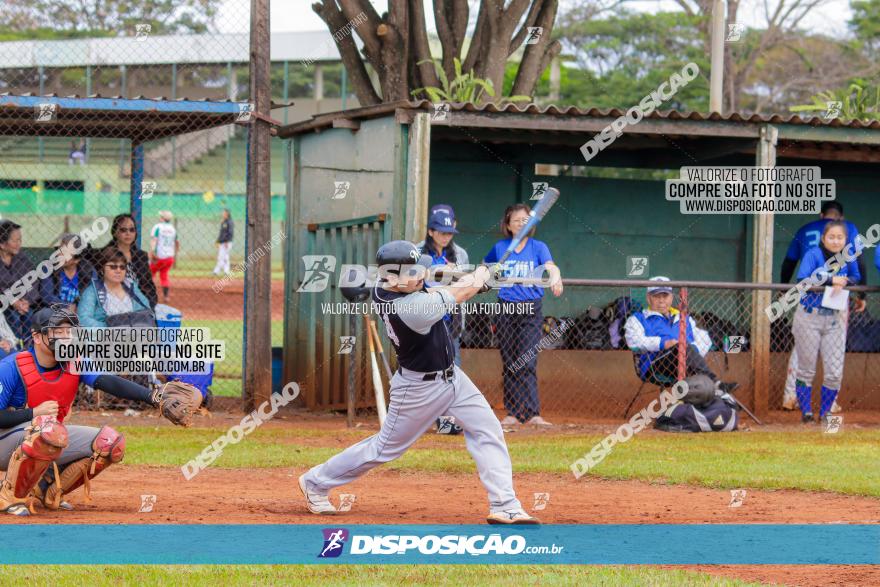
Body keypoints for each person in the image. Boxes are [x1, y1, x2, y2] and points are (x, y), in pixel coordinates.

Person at [299, 241, 539, 525]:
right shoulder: (409, 309)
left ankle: (505, 505)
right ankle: (315, 482)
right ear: (392, 278)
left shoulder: (392, 284)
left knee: (487, 429)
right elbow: (455, 294)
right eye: (411, 272)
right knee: (383, 449)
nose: (419, 275)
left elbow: (437, 280)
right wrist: (479, 278)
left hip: (453, 378)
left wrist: (473, 277)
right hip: (418, 389)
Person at [0, 306, 198, 516]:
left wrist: (152, 396)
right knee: (44, 429)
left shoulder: (73, 362)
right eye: (58, 333)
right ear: (37, 337)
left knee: (109, 443)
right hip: (6, 443)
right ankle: (9, 496)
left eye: (69, 332)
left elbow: (106, 381)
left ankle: (47, 490)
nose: (66, 338)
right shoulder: (11, 367)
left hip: (43, 438)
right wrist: (32, 413)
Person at [483, 204, 563, 428]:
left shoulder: (539, 247)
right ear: (508, 225)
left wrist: (556, 278)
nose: (521, 223)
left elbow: (551, 266)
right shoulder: (500, 248)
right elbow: (484, 267)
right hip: (506, 309)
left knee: (527, 359)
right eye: (516, 220)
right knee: (510, 361)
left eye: (525, 219)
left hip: (531, 309)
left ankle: (533, 413)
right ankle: (513, 413)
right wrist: (480, 279)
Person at [779, 202, 863, 411]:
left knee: (801, 353)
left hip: (826, 305)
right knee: (833, 357)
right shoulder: (849, 227)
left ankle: (791, 398)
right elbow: (860, 262)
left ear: (821, 214)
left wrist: (783, 289)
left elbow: (789, 261)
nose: (836, 239)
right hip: (819, 305)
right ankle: (829, 403)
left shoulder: (805, 228)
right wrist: (861, 295)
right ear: (840, 217)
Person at [791, 221, 859, 424]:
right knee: (806, 369)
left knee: (834, 372)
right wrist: (831, 280)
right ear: (823, 238)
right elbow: (802, 278)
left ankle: (825, 414)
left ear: (845, 240)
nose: (836, 241)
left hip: (835, 318)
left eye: (840, 237)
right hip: (809, 316)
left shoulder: (848, 256)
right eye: (832, 237)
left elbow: (857, 276)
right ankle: (807, 414)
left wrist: (845, 280)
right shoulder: (813, 254)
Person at [625, 276, 738, 394]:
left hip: (688, 362)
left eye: (665, 296)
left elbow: (704, 338)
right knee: (681, 347)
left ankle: (717, 399)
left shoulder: (683, 317)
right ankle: (715, 384)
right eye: (656, 296)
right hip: (656, 365)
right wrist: (663, 343)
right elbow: (634, 341)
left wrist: (692, 349)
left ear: (672, 297)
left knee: (684, 347)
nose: (661, 301)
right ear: (648, 298)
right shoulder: (638, 319)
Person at [77, 246, 154, 329]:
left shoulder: (131, 286)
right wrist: (110, 329)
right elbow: (83, 319)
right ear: (102, 269)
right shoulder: (92, 290)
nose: (118, 270)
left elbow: (147, 311)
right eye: (113, 267)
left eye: (122, 267)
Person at [104, 214, 158, 309]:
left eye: (131, 230)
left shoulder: (141, 256)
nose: (128, 233)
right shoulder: (105, 255)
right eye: (123, 230)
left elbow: (149, 287)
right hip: (111, 304)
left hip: (137, 305)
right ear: (115, 232)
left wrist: (149, 306)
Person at [0, 220, 37, 346]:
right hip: (4, 304)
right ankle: (14, 348)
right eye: (15, 241)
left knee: (29, 315)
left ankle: (27, 346)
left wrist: (26, 301)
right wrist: (12, 300)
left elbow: (33, 281)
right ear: (2, 244)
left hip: (23, 303)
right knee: (13, 317)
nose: (19, 244)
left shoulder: (22, 258)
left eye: (20, 240)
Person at [39, 234, 94, 313]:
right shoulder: (48, 267)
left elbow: (92, 296)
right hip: (54, 311)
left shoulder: (88, 270)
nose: (59, 255)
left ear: (76, 260)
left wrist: (78, 308)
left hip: (80, 312)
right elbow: (46, 296)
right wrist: (67, 307)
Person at [149, 211, 178, 304]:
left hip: (159, 256)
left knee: (148, 274)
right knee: (164, 275)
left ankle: (148, 295)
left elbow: (154, 240)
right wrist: (174, 253)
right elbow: (177, 242)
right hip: (169, 257)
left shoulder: (158, 227)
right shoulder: (173, 229)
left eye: (160, 216)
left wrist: (152, 252)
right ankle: (166, 297)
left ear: (162, 218)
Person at [213, 209, 234, 276]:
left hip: (226, 242)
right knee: (223, 257)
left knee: (222, 257)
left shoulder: (229, 222)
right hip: (222, 242)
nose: (223, 214)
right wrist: (218, 241)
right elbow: (221, 233)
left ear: (227, 214)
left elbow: (230, 233)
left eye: (224, 213)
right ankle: (225, 272)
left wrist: (227, 241)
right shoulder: (224, 222)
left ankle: (217, 271)